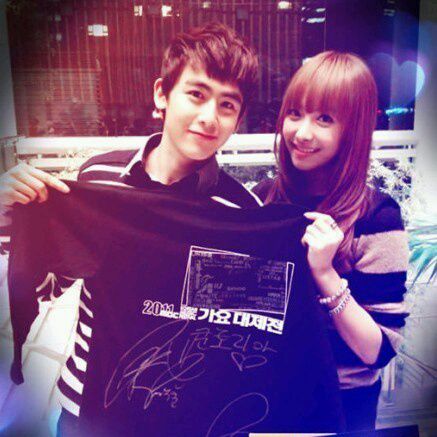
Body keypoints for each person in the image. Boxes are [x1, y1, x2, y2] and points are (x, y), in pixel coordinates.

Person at [0, 22, 265, 434]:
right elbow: (48, 286)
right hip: (90, 410)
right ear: (162, 94)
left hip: (189, 415)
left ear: (238, 118)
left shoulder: (239, 213)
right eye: (196, 94)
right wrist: (10, 217)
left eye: (227, 105)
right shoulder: (99, 180)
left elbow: (238, 332)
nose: (209, 117)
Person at [254, 51, 410, 431]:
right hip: (263, 398)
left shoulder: (377, 217)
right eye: (295, 113)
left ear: (352, 130)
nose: (302, 133)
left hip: (342, 405)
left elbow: (378, 350)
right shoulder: (262, 201)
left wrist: (325, 274)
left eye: (324, 118)